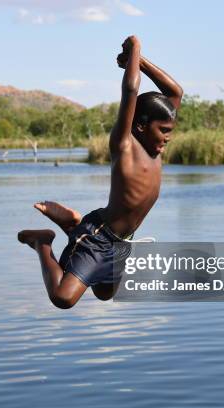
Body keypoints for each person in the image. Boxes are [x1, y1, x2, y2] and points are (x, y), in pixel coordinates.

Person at [17, 35, 183, 309]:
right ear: (141, 126)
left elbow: (175, 92)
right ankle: (43, 241)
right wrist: (134, 49)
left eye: (170, 131)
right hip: (100, 235)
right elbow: (130, 91)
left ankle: (73, 225)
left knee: (105, 293)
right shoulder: (125, 145)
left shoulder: (156, 149)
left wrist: (140, 62)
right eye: (163, 131)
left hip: (122, 241)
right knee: (63, 297)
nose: (168, 137)